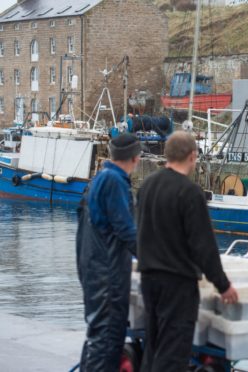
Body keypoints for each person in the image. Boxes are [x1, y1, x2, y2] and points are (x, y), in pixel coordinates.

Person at [137, 131, 238, 371]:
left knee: (153, 347)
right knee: (172, 352)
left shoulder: (147, 186)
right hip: (177, 284)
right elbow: (203, 246)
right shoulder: (190, 193)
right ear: (193, 156)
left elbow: (138, 231)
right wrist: (223, 285)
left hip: (149, 279)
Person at [76, 133, 142, 372]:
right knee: (107, 342)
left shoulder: (97, 180)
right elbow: (126, 230)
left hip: (92, 270)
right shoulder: (115, 182)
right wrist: (153, 260)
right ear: (135, 158)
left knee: (96, 337)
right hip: (108, 276)